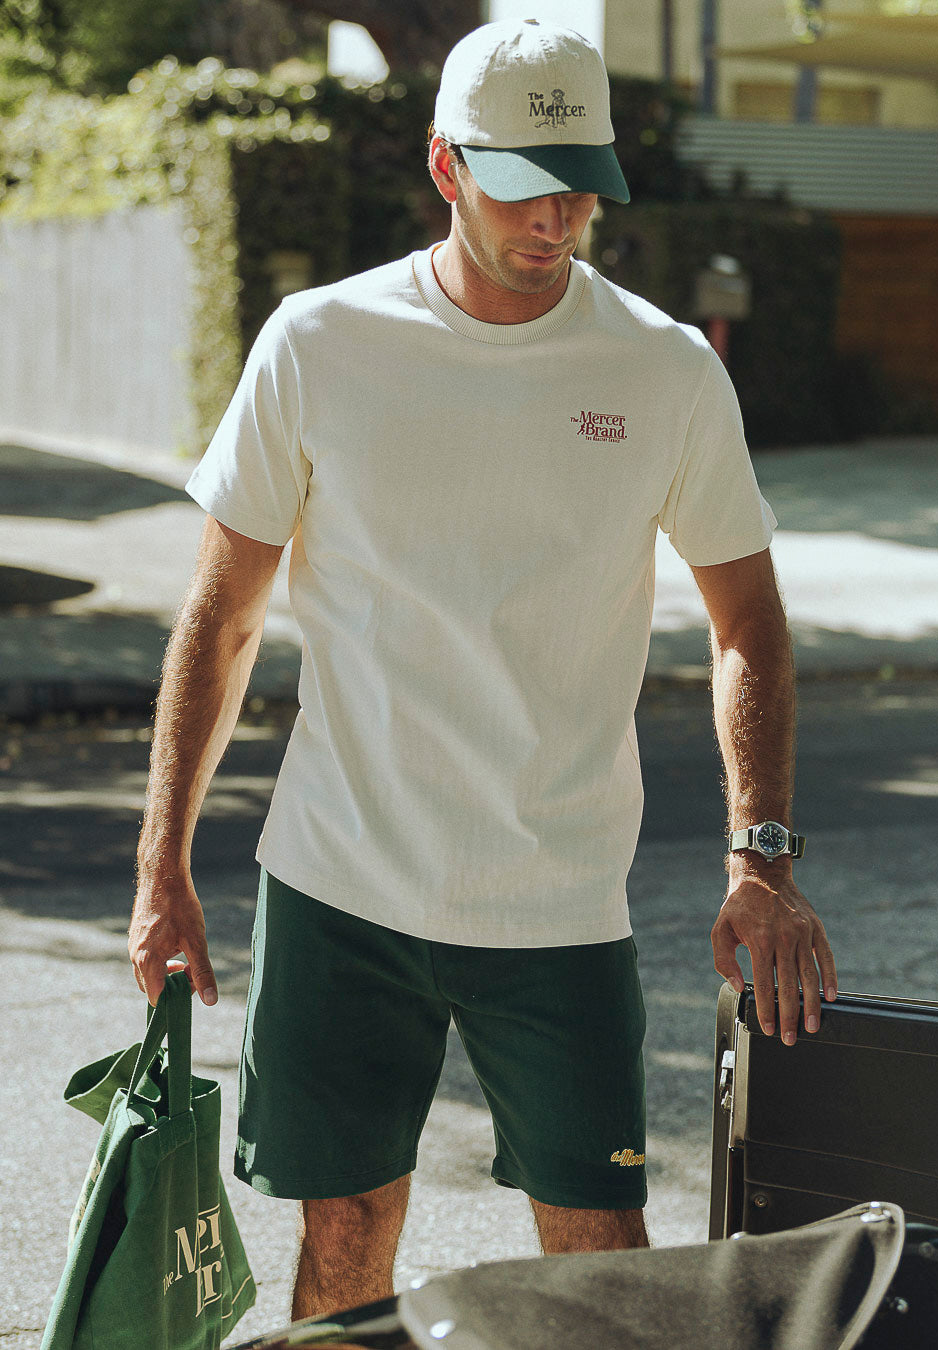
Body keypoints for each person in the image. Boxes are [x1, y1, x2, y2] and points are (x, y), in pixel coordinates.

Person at [128, 17, 838, 1325]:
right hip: (344, 888)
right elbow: (222, 614)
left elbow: (750, 621)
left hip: (559, 907)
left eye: (582, 183)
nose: (558, 216)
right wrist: (161, 862)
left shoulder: (664, 371)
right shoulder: (319, 343)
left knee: (601, 1267)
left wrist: (763, 858)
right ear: (447, 166)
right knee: (342, 1243)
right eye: (525, 181)